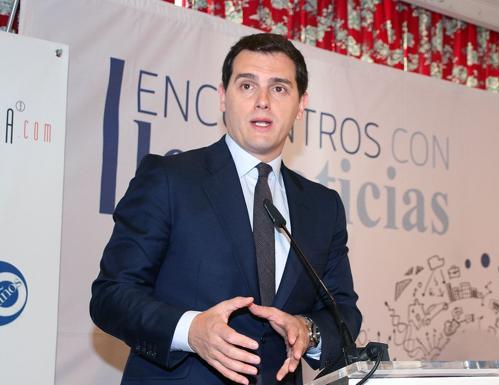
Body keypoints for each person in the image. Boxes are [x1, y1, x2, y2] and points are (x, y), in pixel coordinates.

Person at [90, 33, 362, 385]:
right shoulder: (170, 179)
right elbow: (111, 296)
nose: (262, 101)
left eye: (279, 88)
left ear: (301, 104)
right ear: (223, 96)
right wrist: (190, 330)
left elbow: (343, 311)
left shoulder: (324, 206)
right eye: (247, 85)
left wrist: (307, 330)